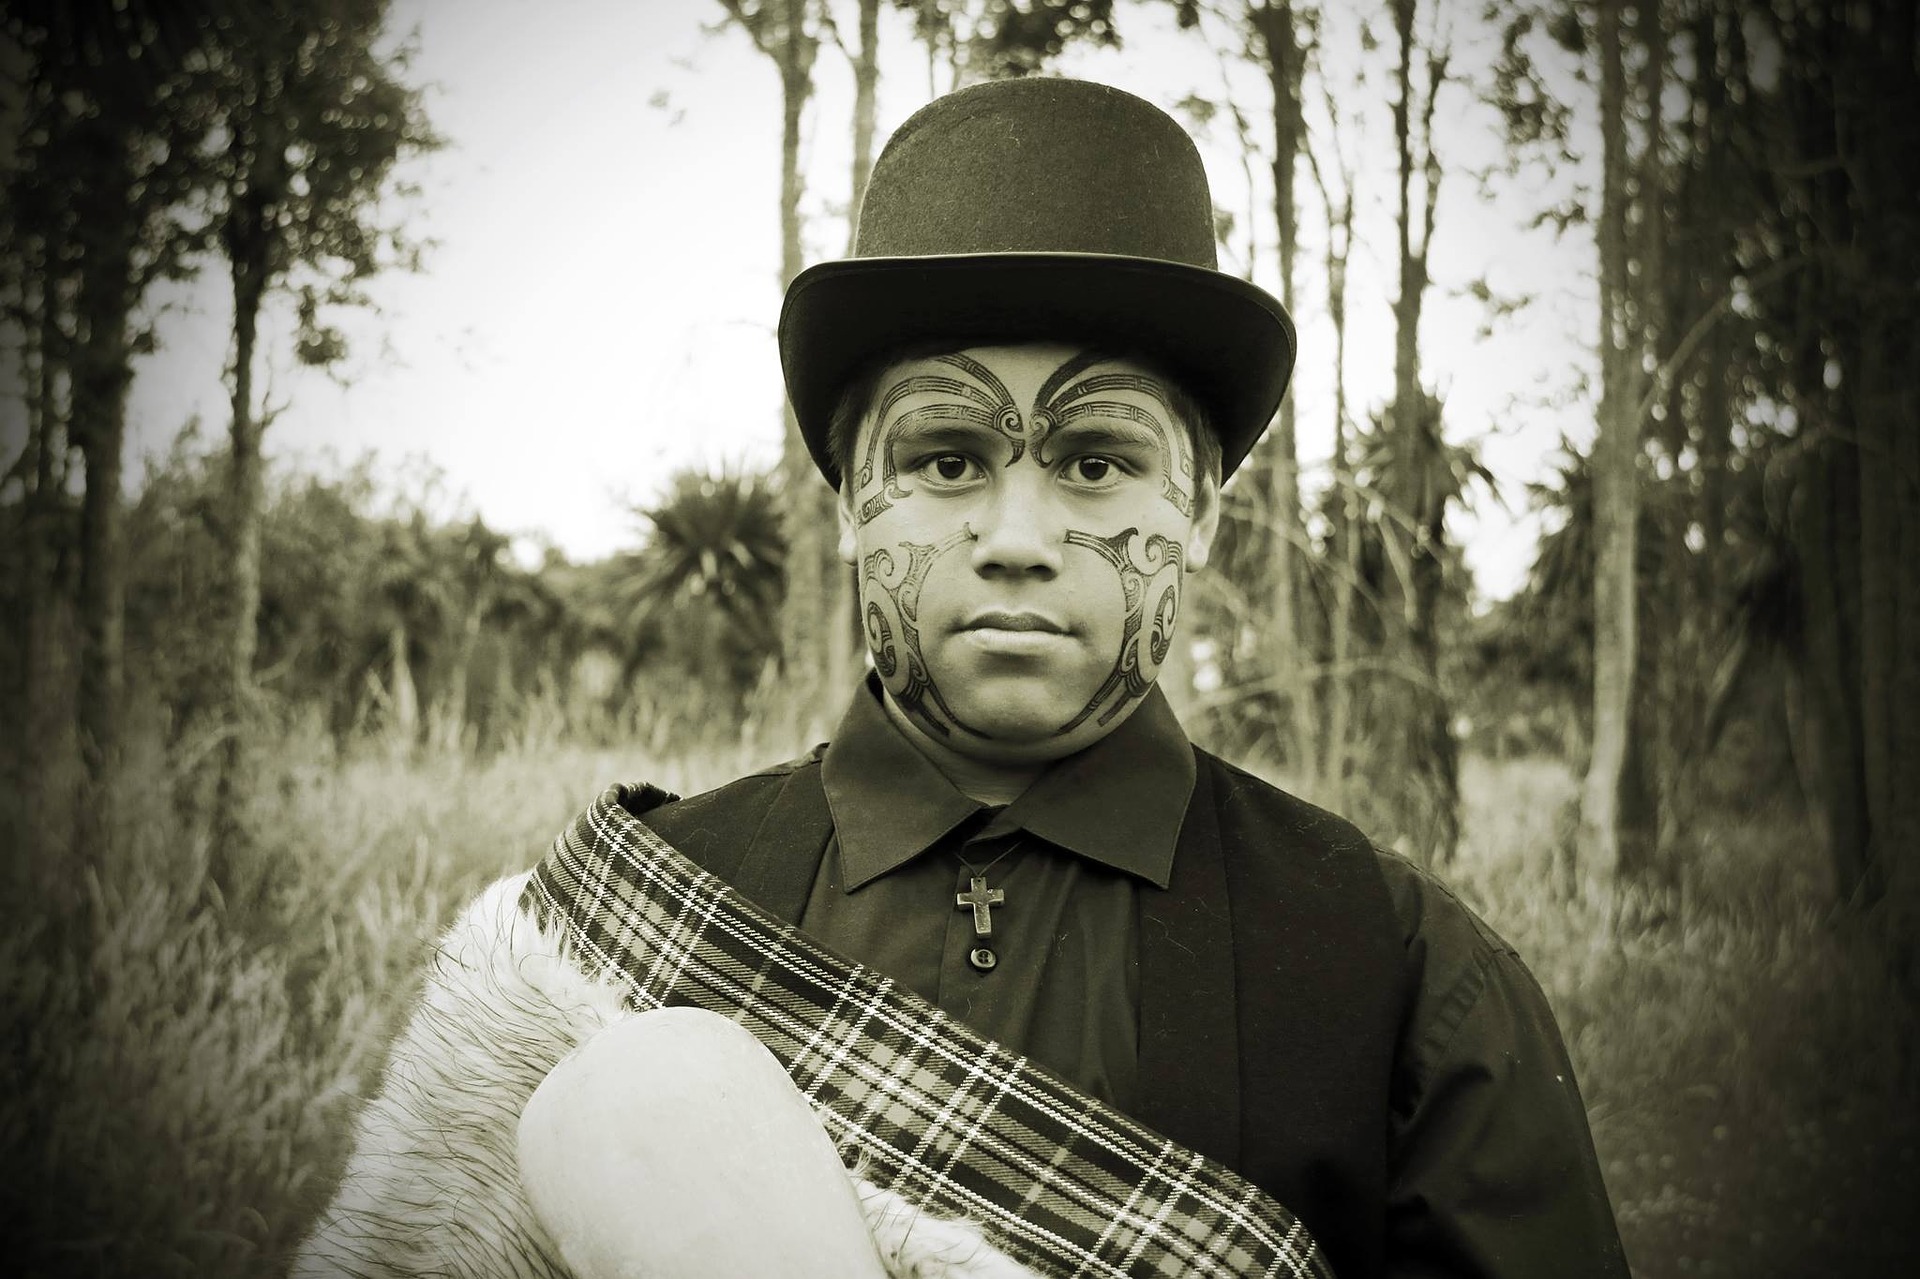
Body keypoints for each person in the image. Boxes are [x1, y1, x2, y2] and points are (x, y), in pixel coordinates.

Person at [296, 78, 1628, 1279]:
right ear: (847, 502)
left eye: (1098, 463)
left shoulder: (1394, 974)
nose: (1016, 538)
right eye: (945, 461)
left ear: (1202, 511)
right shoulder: (612, 942)